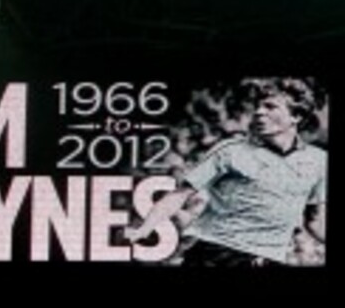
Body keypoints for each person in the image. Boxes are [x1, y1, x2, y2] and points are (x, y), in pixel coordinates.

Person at [126, 78, 327, 266]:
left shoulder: (318, 160)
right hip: (216, 255)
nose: (259, 112)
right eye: (258, 106)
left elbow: (314, 220)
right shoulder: (231, 151)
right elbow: (179, 194)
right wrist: (144, 228)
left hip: (268, 259)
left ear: (296, 116)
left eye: (270, 106)